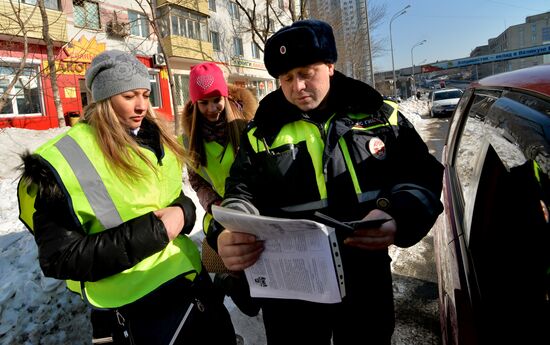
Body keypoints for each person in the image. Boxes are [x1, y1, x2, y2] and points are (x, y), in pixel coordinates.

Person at [207, 20, 444, 345]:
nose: (298, 86)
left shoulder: (379, 115)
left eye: (306, 72)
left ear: (330, 66)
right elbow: (240, 193)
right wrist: (229, 234)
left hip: (365, 283)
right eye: (287, 78)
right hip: (291, 294)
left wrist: (397, 215)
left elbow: (424, 176)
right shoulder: (261, 132)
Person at [17, 50, 236, 345]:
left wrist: (184, 212)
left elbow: (172, 199)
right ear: (104, 99)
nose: (142, 106)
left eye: (145, 94)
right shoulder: (61, 161)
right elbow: (60, 258)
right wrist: (157, 231)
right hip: (135, 304)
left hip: (188, 281)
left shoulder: (156, 137)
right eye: (130, 96)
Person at [180, 62, 259, 317]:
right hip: (220, 214)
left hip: (254, 209)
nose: (212, 109)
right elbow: (197, 180)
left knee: (259, 292)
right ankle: (227, 280)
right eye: (204, 103)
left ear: (225, 96)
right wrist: (213, 203)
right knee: (248, 304)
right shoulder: (189, 138)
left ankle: (230, 282)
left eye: (216, 100)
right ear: (194, 104)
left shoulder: (247, 125)